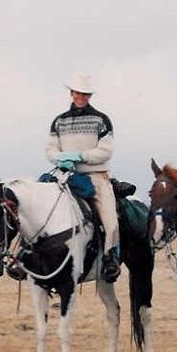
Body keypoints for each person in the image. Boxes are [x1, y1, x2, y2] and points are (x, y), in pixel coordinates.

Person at [46, 73, 120, 282]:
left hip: (95, 175)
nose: (81, 97)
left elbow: (106, 151)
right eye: (78, 93)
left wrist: (80, 157)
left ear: (89, 96)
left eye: (85, 94)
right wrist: (60, 159)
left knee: (110, 219)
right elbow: (50, 150)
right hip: (65, 174)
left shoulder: (101, 119)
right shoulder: (59, 121)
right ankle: (29, 253)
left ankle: (109, 257)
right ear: (72, 93)